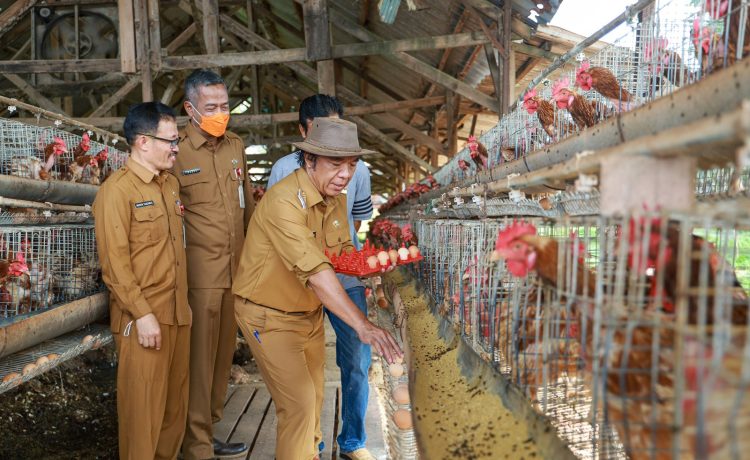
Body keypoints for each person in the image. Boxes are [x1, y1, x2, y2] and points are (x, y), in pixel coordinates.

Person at [233, 117, 402, 460]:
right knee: (298, 407)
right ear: (309, 160)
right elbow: (317, 272)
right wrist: (362, 325)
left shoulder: (335, 200)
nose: (345, 174)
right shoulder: (283, 202)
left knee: (315, 402)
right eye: (335, 164)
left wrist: (372, 266)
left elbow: (339, 257)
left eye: (352, 164)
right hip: (268, 315)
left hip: (307, 314)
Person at [267, 94, 376, 460]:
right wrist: (314, 265)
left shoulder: (358, 171)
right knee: (306, 367)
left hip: (343, 272)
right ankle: (309, 443)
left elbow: (356, 219)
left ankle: (353, 441)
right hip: (298, 278)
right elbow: (279, 230)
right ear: (303, 133)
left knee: (358, 358)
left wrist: (336, 257)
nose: (343, 169)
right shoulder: (284, 170)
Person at [93, 101, 191, 459]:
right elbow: (115, 265)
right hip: (144, 320)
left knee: (172, 415)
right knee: (142, 420)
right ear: (142, 141)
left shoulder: (169, 186)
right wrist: (142, 313)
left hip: (178, 314)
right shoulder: (117, 191)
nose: (176, 147)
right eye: (170, 140)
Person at [174, 69, 255, 460]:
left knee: (223, 357)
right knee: (199, 363)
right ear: (190, 109)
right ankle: (197, 445)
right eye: (212, 107)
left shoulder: (235, 146)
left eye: (225, 106)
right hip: (200, 276)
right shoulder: (176, 151)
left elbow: (248, 209)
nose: (221, 113)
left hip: (235, 271)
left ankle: (210, 428)